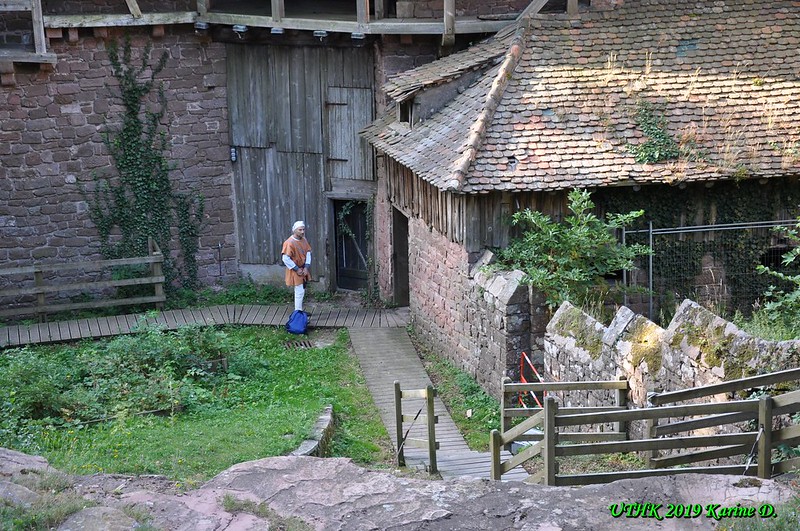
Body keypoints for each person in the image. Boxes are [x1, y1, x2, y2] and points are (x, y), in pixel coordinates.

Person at [282, 220, 312, 312]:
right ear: (294, 230)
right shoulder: (289, 242)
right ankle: (298, 312)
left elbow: (308, 253)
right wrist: (296, 269)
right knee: (299, 290)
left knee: (302, 289)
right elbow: (285, 258)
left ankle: (299, 310)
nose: (302, 232)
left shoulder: (304, 240)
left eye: (303, 230)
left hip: (303, 268)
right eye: (300, 230)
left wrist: (306, 267)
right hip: (296, 269)